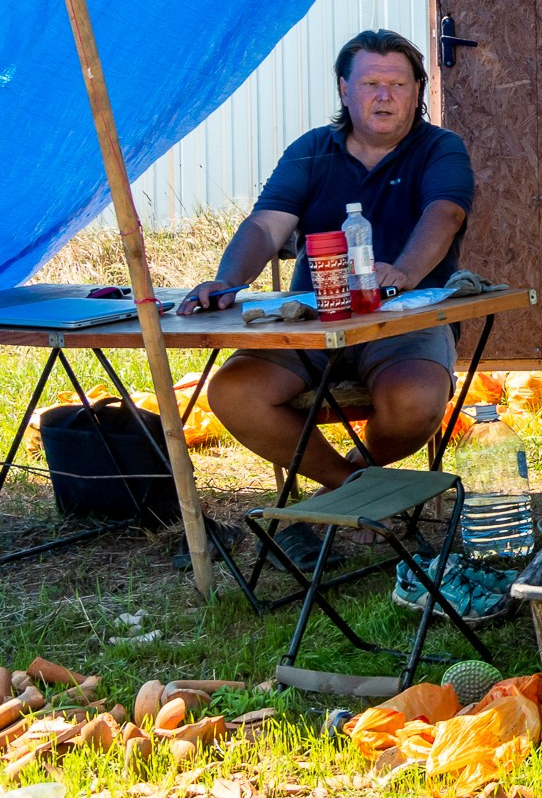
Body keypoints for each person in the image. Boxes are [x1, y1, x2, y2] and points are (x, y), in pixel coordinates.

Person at [182, 29, 474, 541]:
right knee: (232, 392)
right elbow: (265, 224)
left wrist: (402, 272)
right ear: (344, 89)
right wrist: (227, 280)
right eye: (370, 83)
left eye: (398, 84)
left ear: (418, 89)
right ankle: (350, 491)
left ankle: (323, 505)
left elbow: (445, 214)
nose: (384, 96)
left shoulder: (440, 147)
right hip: (317, 314)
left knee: (416, 401)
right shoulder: (312, 149)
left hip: (405, 316)